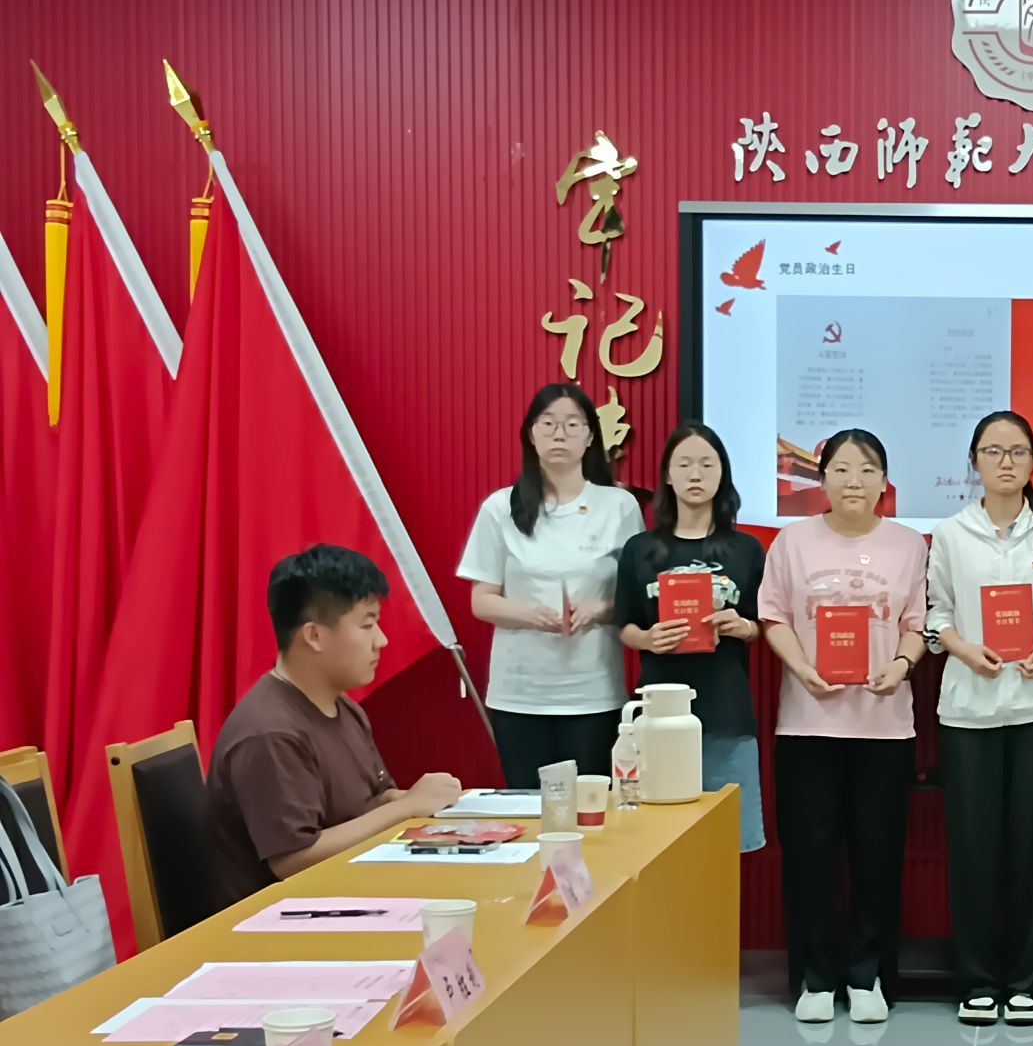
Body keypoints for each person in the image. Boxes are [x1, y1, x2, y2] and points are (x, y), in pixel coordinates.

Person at [758, 428, 928, 1025]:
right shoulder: (792, 541)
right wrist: (800, 668)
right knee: (810, 854)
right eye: (841, 469)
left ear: (884, 481)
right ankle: (815, 975)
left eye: (867, 469)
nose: (854, 480)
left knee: (877, 856)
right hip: (808, 723)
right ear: (822, 478)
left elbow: (916, 623)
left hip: (884, 726)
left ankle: (868, 975)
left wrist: (901, 666)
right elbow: (773, 616)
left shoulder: (908, 544)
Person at [205, 546, 461, 912]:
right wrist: (407, 807)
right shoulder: (270, 733)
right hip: (280, 919)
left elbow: (374, 799)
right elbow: (294, 860)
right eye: (367, 625)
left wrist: (423, 801)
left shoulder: (342, 706)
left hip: (347, 890)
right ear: (314, 636)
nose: (381, 640)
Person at [926, 411, 1033, 1026]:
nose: (1006, 461)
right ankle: (977, 979)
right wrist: (962, 648)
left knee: (1032, 848)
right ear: (975, 462)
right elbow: (936, 613)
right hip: (969, 710)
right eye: (993, 451)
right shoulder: (950, 533)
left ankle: (1025, 981)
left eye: (1017, 451)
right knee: (973, 848)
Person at [457, 383, 643, 786]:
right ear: (531, 433)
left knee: (592, 806)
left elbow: (637, 596)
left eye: (573, 424)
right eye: (548, 423)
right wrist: (532, 614)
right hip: (520, 693)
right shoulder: (500, 507)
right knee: (529, 808)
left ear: (590, 436)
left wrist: (598, 610)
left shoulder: (619, 506)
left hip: (594, 692)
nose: (560, 434)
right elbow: (482, 601)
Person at [615, 421, 766, 853]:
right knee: (657, 844)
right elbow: (624, 625)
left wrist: (743, 627)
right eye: (683, 464)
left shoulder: (746, 549)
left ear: (722, 474)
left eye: (706, 464)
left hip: (726, 713)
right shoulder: (640, 549)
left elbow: (763, 623)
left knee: (725, 846)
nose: (695, 474)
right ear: (668, 474)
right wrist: (648, 639)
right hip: (657, 716)